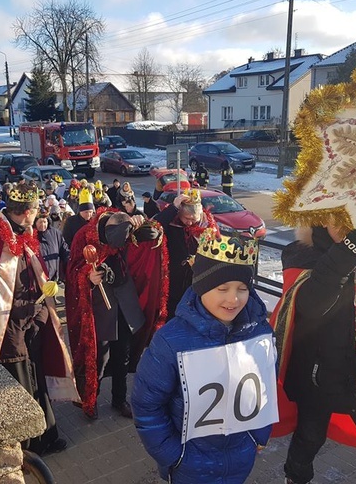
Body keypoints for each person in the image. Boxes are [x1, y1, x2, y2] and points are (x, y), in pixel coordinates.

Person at [132, 229, 276, 483]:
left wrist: (259, 434)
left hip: (240, 458)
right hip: (189, 465)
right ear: (201, 286)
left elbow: (265, 386)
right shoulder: (171, 341)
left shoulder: (259, 331)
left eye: (243, 288)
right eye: (222, 288)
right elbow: (147, 405)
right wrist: (174, 455)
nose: (233, 298)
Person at [271, 225, 356, 484]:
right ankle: (295, 478)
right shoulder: (302, 255)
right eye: (337, 216)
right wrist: (345, 254)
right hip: (317, 378)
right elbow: (311, 306)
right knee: (308, 439)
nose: (346, 224)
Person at [0, 184, 77, 455]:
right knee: (23, 382)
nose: (38, 216)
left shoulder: (24, 234)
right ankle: (28, 445)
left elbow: (31, 276)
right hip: (8, 327)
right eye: (35, 210)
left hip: (31, 319)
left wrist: (42, 303)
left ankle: (47, 434)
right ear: (27, 212)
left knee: (37, 377)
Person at [65, 208, 168, 420]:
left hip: (124, 300)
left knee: (123, 354)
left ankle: (119, 399)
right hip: (99, 306)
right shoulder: (83, 235)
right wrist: (88, 276)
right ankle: (90, 400)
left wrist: (149, 225)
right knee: (98, 357)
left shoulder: (127, 223)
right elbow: (73, 269)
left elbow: (153, 237)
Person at [155, 189, 216, 321]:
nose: (189, 223)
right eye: (186, 218)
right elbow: (155, 226)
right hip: (173, 281)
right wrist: (174, 207)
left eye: (193, 219)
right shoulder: (172, 223)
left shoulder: (207, 226)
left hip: (197, 281)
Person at [35, 209, 70, 283]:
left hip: (52, 279)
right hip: (37, 279)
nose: (43, 225)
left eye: (45, 222)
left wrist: (70, 260)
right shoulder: (31, 235)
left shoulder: (55, 234)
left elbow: (64, 250)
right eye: (40, 222)